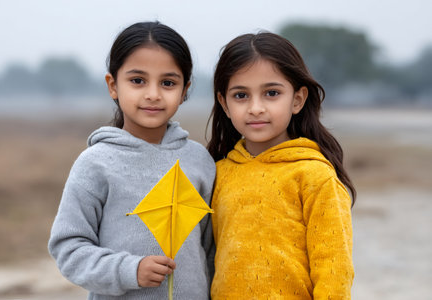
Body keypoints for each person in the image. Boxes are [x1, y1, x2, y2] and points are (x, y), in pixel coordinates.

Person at [48, 21, 216, 299]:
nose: (153, 94)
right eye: (137, 80)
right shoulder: (95, 163)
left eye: (168, 83)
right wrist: (130, 269)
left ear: (185, 90)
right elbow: (69, 249)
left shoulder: (199, 160)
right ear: (113, 85)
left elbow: (211, 249)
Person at [207, 31, 356, 299]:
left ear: (297, 99)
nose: (256, 108)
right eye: (241, 95)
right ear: (224, 104)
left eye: (271, 93)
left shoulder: (314, 175)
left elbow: (334, 271)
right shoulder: (218, 173)